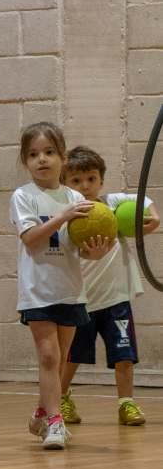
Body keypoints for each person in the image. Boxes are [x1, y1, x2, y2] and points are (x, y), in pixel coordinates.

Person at [9, 122, 111, 450]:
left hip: (70, 289)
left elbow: (80, 249)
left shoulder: (76, 197)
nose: (43, 159)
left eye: (50, 152)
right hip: (37, 290)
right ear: (25, 161)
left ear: (63, 157)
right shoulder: (23, 196)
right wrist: (64, 216)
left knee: (62, 358)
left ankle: (42, 412)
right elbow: (31, 238)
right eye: (34, 154)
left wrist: (94, 252)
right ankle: (56, 423)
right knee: (49, 357)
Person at [61, 145, 160, 426]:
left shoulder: (112, 202)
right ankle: (61, 397)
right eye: (77, 180)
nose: (85, 186)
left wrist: (152, 218)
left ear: (101, 180)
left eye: (91, 179)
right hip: (81, 302)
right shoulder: (66, 213)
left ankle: (126, 404)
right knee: (72, 358)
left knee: (124, 357)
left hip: (116, 299)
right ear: (66, 183)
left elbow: (143, 201)